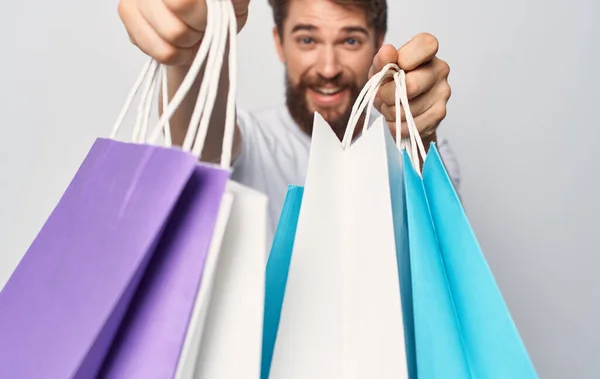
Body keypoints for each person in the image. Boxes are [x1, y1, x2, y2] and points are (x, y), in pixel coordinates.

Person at [118, 0, 460, 243]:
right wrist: (196, 45)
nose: (328, 68)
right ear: (279, 43)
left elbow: (436, 242)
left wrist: (419, 132)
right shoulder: (251, 140)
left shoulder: (417, 146)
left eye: (350, 40)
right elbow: (198, 138)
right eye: (307, 39)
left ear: (378, 42)